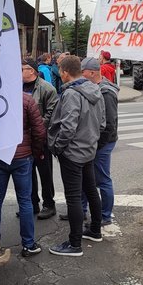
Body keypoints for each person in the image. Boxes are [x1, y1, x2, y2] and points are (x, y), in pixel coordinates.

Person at [47, 56, 105, 256]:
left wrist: (58, 147)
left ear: (64, 72)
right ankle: (95, 230)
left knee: (73, 198)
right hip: (89, 150)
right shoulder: (96, 89)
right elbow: (102, 123)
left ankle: (74, 244)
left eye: (59, 71)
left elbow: (68, 127)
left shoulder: (72, 93)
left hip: (72, 153)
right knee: (90, 190)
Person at [0, 91, 46, 256]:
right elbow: (39, 131)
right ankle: (28, 244)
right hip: (22, 157)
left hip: (0, 156)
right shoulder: (26, 100)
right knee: (25, 201)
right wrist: (34, 152)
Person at [81, 56, 119, 225]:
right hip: (94, 141)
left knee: (103, 179)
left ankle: (105, 215)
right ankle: (80, 210)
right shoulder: (93, 87)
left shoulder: (106, 92)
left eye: (82, 72)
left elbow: (110, 124)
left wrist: (98, 144)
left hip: (103, 143)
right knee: (85, 177)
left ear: (91, 73)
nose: (80, 76)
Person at [22, 59, 59, 219]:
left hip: (41, 139)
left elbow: (51, 113)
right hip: (24, 140)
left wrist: (36, 127)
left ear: (32, 71)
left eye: (22, 68)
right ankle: (32, 203)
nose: (20, 72)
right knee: (27, 173)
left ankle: (49, 204)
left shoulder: (46, 88)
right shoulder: (19, 87)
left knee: (45, 173)